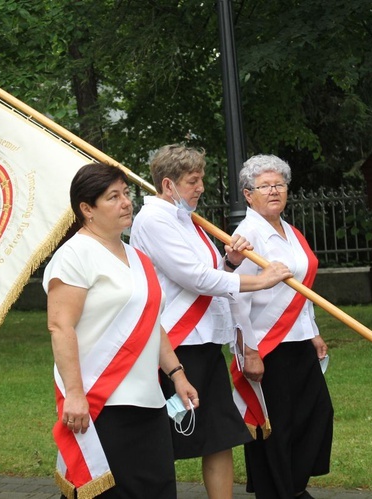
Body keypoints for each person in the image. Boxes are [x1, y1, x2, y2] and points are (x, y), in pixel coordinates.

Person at [130, 145, 293, 499]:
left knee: (219, 435)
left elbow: (211, 276)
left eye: (201, 178)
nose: (201, 186)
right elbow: (194, 278)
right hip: (174, 344)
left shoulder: (187, 218)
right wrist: (259, 280)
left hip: (204, 341)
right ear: (169, 184)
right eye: (193, 180)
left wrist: (231, 264)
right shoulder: (153, 219)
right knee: (166, 436)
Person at [43, 162, 199, 499]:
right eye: (113, 197)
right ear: (87, 209)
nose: (126, 202)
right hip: (101, 404)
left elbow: (150, 324)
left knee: (156, 490)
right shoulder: (73, 256)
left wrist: (177, 374)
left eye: (126, 194)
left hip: (149, 401)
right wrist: (74, 394)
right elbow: (60, 325)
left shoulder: (139, 257)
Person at [229, 154, 333, 499]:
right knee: (274, 426)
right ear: (248, 195)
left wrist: (313, 330)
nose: (273, 191)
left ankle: (290, 485)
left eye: (279, 185)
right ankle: (278, 490)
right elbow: (236, 296)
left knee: (316, 415)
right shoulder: (246, 236)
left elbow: (301, 289)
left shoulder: (289, 231)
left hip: (299, 340)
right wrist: (249, 351)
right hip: (267, 346)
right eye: (264, 186)